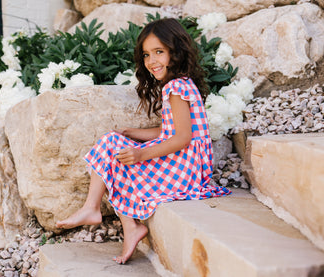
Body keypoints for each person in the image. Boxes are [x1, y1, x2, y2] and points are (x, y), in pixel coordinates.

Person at [56, 17, 231, 264]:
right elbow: (168, 131)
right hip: (187, 165)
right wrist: (133, 133)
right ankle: (125, 224)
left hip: (184, 171)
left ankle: (95, 209)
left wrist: (140, 154)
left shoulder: (176, 88)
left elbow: (182, 138)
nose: (152, 61)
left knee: (114, 151)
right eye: (147, 55)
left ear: (176, 51)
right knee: (115, 145)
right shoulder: (182, 84)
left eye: (159, 52)